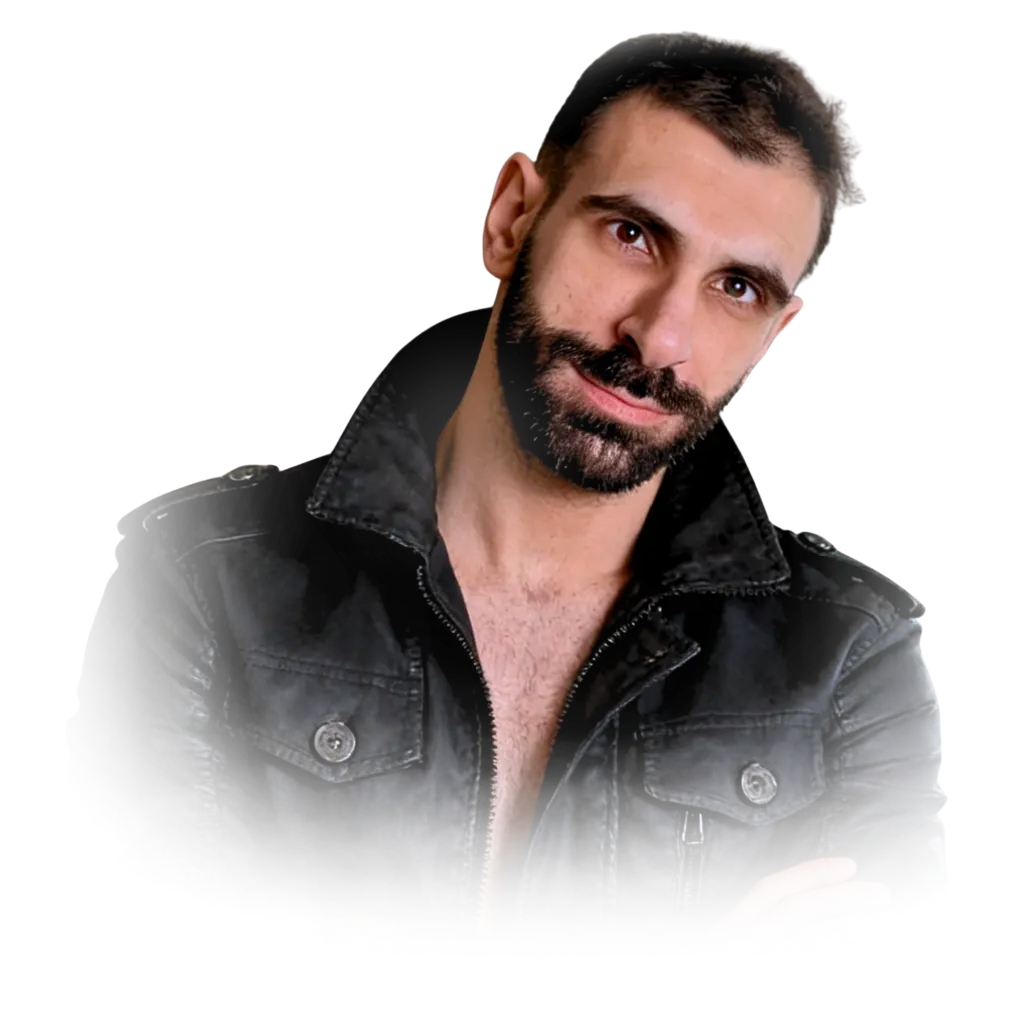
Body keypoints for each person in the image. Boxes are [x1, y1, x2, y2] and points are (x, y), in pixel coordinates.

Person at [92, 31, 947, 957]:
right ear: (511, 218)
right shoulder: (203, 585)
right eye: (632, 235)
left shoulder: (849, 660)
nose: (660, 337)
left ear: (775, 334)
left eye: (735, 287)